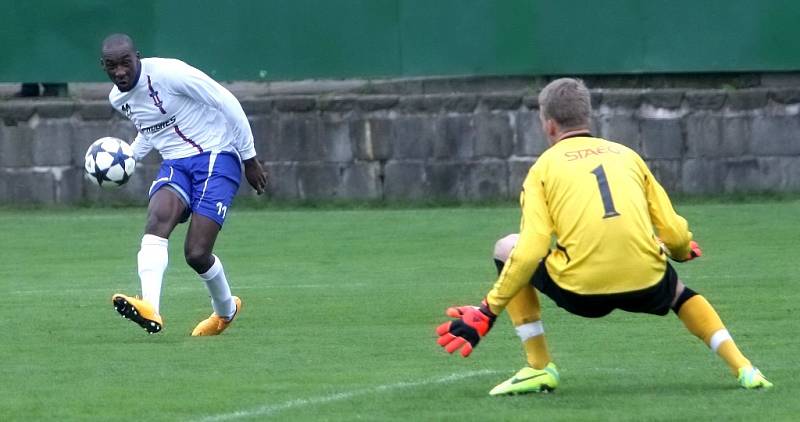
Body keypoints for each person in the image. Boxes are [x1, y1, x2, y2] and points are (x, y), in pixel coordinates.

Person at [436, 78, 773, 393]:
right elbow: (673, 231)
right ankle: (745, 369)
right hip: (645, 281)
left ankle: (539, 366)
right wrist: (680, 252)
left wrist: (487, 310)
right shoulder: (627, 156)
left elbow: (530, 249)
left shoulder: (542, 168)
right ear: (588, 118)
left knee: (506, 246)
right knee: (679, 294)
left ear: (548, 124)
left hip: (581, 292)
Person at [101, 33, 267, 336]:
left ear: (136, 57)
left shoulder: (170, 74)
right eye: (112, 66)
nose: (120, 72)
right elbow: (149, 127)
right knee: (156, 220)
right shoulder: (118, 98)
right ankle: (150, 307)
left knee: (196, 253)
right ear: (104, 67)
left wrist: (249, 158)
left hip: (216, 154)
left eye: (125, 63)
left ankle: (225, 312)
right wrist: (128, 158)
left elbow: (225, 100)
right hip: (176, 164)